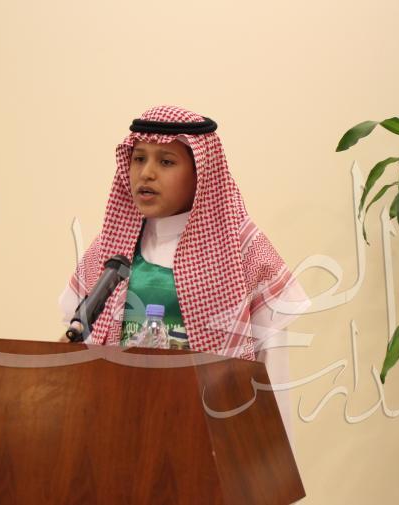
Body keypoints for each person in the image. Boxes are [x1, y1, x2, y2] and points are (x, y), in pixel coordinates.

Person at [58, 105, 311, 440]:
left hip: (209, 436)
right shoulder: (111, 247)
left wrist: (274, 463)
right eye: (139, 159)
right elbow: (74, 343)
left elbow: (273, 375)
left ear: (201, 173)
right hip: (117, 431)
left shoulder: (244, 251)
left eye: (166, 162)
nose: (146, 173)